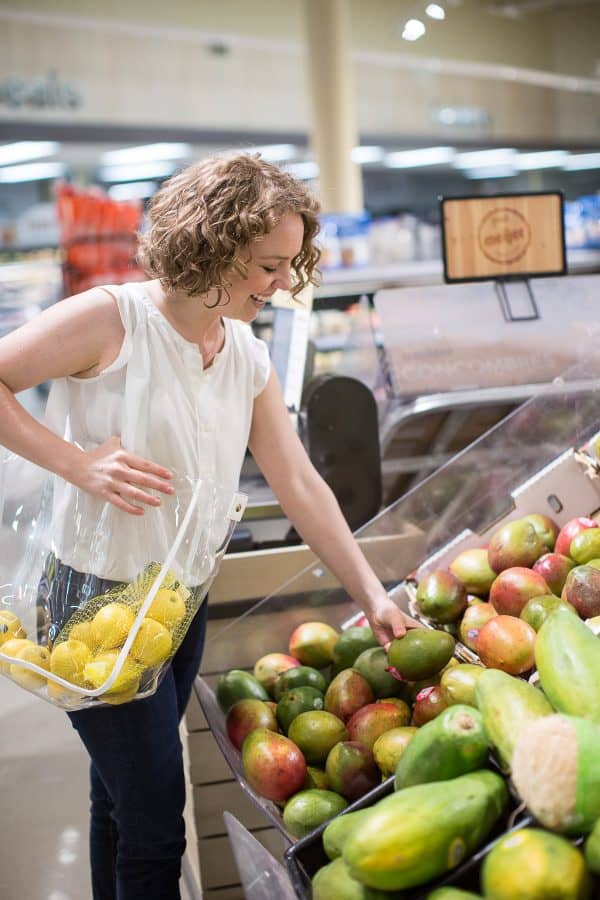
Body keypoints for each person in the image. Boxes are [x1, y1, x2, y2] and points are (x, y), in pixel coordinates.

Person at [0, 153, 417, 900]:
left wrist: (373, 592)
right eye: (268, 264)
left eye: (292, 263)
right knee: (157, 820)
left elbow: (298, 483)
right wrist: (77, 464)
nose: (285, 282)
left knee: (118, 797)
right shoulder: (112, 320)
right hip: (95, 599)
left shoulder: (245, 355)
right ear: (212, 244)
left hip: (179, 602)